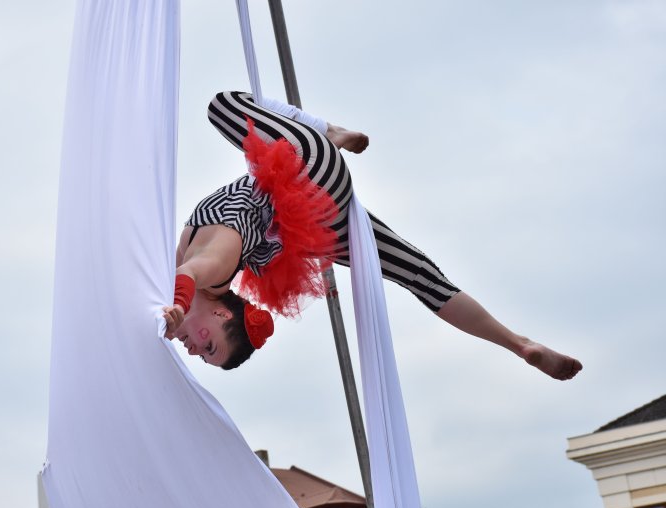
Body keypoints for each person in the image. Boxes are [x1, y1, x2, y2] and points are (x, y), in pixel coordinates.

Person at [163, 91, 582, 380]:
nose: (193, 351)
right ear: (222, 315)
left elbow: (187, 275)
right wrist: (178, 305)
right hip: (310, 177)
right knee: (223, 106)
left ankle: (518, 344)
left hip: (312, 212)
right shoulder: (214, 273)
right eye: (206, 351)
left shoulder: (202, 272)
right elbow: (191, 273)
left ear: (222, 316)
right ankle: (328, 130)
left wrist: (175, 307)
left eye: (206, 350)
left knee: (420, 276)